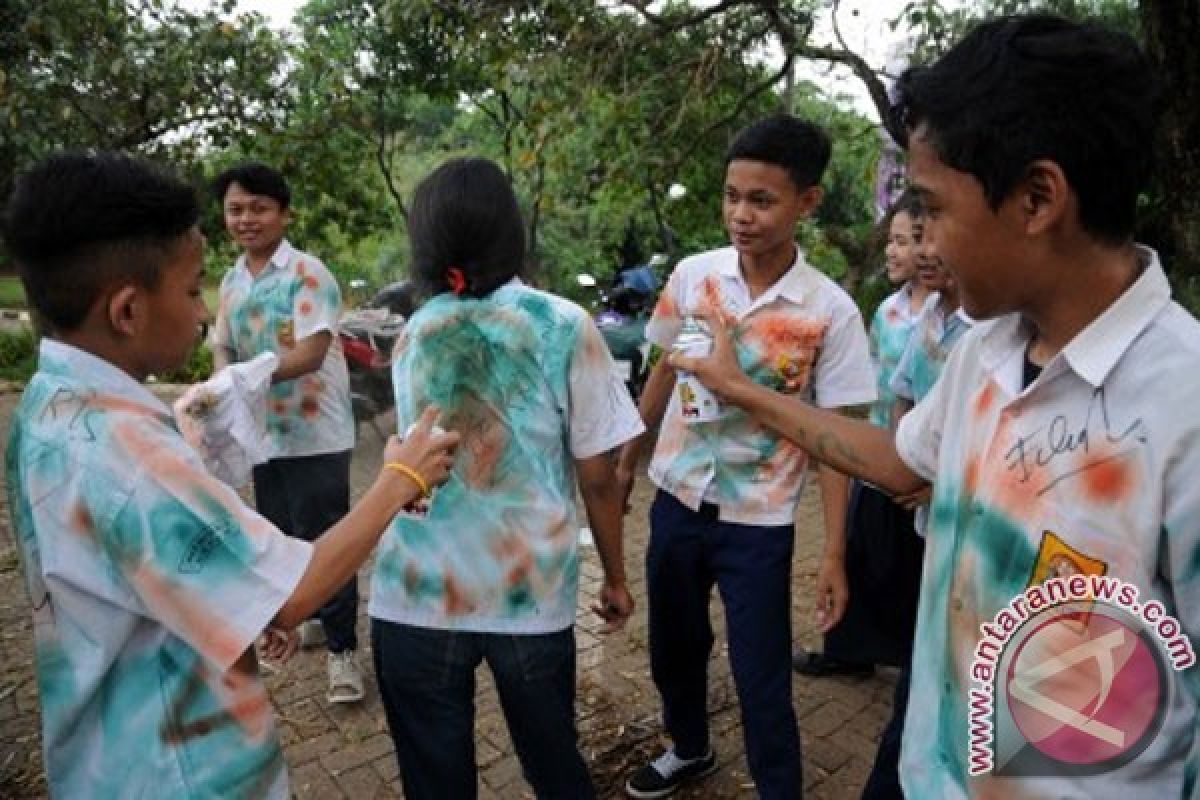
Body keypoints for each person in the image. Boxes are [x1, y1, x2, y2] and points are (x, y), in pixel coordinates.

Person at [670, 14, 1200, 799]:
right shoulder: (986, 350)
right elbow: (900, 461)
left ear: (1037, 198)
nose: (921, 244)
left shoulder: (1183, 402)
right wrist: (740, 388)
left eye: (934, 210)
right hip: (930, 772)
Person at [1, 152, 458, 798]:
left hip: (106, 756)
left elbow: (152, 572)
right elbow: (290, 591)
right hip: (185, 773)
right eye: (191, 292)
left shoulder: (45, 405)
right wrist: (399, 480)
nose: (200, 314)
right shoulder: (128, 455)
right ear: (127, 311)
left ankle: (339, 647)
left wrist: (236, 593)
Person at [617, 114, 877, 799]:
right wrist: (627, 456)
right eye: (732, 196)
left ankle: (779, 788)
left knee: (762, 674)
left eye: (761, 201)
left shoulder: (830, 311)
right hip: (676, 498)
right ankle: (691, 747)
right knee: (674, 647)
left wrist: (834, 553)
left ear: (807, 203)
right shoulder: (695, 275)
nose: (741, 214)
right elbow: (664, 369)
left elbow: (834, 442)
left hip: (757, 521)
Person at [369, 157, 645, 800]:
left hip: (416, 594)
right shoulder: (562, 324)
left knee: (435, 784)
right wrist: (616, 577)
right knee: (554, 766)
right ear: (511, 230)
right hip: (529, 593)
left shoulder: (416, 332)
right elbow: (599, 476)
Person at [210, 162, 363, 704]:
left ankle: (345, 653)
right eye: (235, 209)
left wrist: (250, 375)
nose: (246, 218)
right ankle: (312, 617)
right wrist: (224, 378)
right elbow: (222, 344)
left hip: (316, 434)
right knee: (280, 539)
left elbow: (312, 351)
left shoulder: (307, 273)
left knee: (327, 542)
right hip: (261, 437)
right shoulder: (231, 281)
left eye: (259, 207)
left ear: (283, 213)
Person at [795, 191, 928, 678]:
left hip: (920, 463)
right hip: (876, 455)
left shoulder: (955, 316)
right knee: (858, 554)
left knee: (909, 567)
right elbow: (870, 377)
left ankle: (908, 658)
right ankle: (847, 652)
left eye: (904, 242)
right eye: (890, 240)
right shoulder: (888, 311)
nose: (892, 252)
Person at [858, 245, 972, 800]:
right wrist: (911, 467)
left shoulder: (989, 332)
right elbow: (904, 396)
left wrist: (932, 481)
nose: (926, 249)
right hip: (919, 513)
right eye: (913, 232)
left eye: (937, 222)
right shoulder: (930, 318)